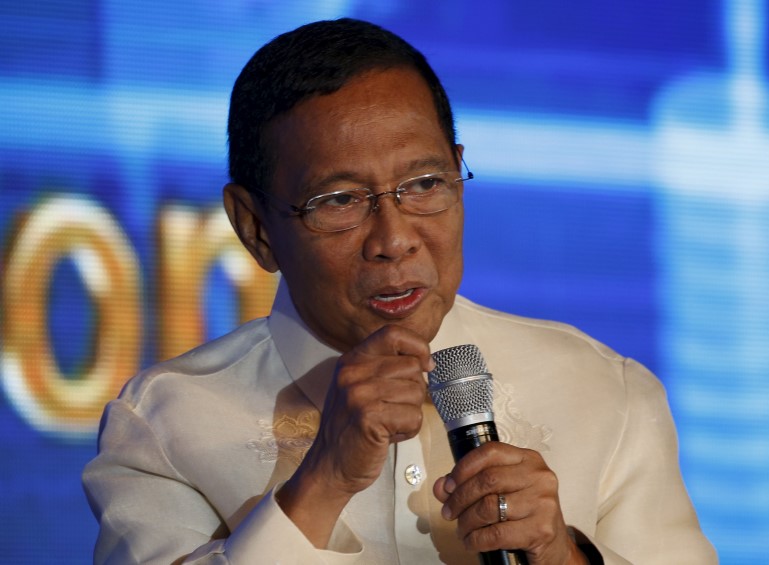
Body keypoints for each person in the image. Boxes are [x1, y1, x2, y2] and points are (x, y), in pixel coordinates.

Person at [83, 18, 717, 564]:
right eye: (339, 200)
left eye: (423, 184)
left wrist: (563, 555)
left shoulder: (607, 394)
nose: (394, 238)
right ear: (255, 227)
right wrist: (324, 479)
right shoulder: (165, 427)